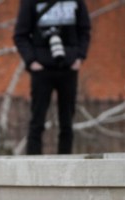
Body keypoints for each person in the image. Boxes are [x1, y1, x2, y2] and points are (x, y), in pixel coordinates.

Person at [13, 0, 91, 155]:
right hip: (42, 70)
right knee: (37, 122)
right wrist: (32, 61)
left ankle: (66, 167)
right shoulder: (30, 3)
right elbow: (20, 35)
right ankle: (33, 167)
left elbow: (85, 30)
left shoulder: (76, 2)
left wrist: (79, 57)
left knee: (67, 123)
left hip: (68, 68)